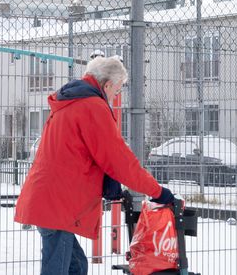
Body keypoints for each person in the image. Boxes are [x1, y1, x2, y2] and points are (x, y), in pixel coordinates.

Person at [14, 55, 174, 275]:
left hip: (49, 198)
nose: (115, 96)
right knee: (60, 269)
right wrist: (158, 192)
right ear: (107, 84)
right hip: (59, 203)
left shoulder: (69, 102)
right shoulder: (92, 107)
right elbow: (119, 161)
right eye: (116, 91)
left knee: (76, 266)